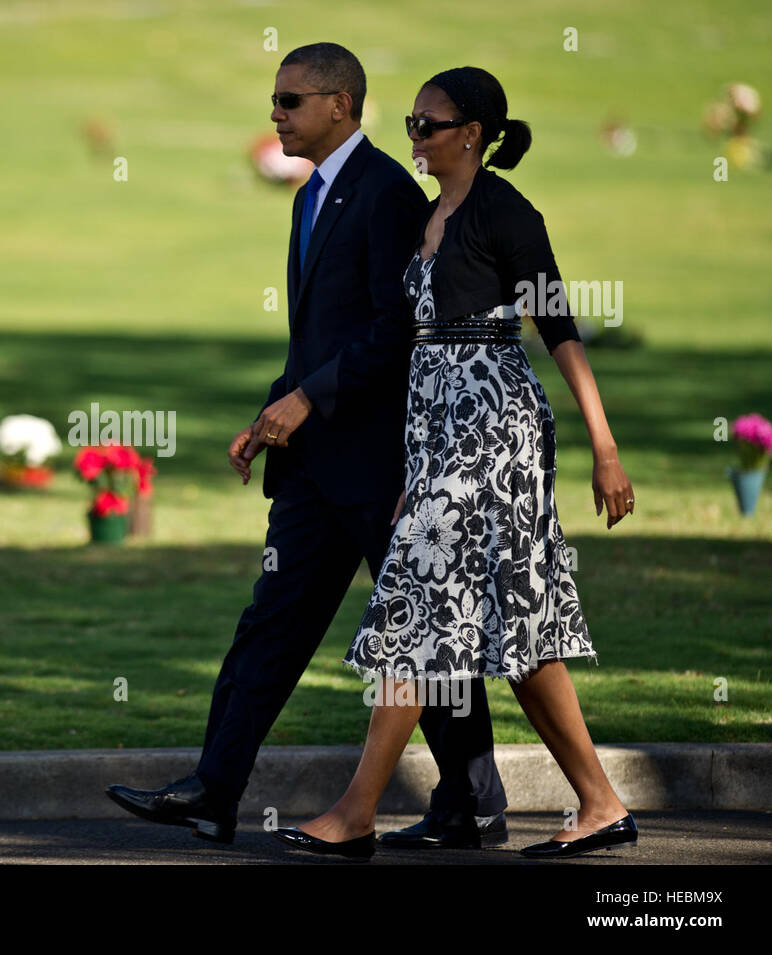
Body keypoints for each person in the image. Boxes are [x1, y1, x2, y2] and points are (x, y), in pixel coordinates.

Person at [106, 44, 508, 846]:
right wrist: (271, 411)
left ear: (339, 104)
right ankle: (214, 790)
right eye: (274, 101)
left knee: (422, 629)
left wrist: (307, 397)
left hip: (380, 466)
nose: (277, 115)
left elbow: (398, 329)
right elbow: (319, 332)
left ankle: (472, 799)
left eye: (290, 101)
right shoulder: (310, 196)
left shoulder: (389, 193)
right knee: (273, 623)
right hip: (313, 470)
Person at [272, 67, 638, 860]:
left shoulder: (506, 213)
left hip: (497, 430)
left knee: (413, 610)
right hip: (441, 437)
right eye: (409, 123)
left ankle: (355, 812)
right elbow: (418, 352)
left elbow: (562, 332)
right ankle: (603, 800)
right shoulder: (432, 214)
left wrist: (605, 449)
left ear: (470, 132)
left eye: (428, 125)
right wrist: (416, 465)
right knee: (517, 627)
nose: (415, 138)